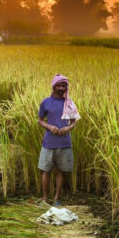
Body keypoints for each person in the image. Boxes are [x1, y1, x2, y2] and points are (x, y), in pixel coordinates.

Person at [38, 74, 80, 206]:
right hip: (49, 143)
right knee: (46, 171)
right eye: (59, 85)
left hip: (64, 143)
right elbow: (40, 121)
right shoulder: (46, 102)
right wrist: (49, 126)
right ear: (53, 86)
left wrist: (68, 128)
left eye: (64, 85)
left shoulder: (69, 103)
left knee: (60, 171)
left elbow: (73, 122)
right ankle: (45, 199)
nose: (61, 88)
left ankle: (56, 199)